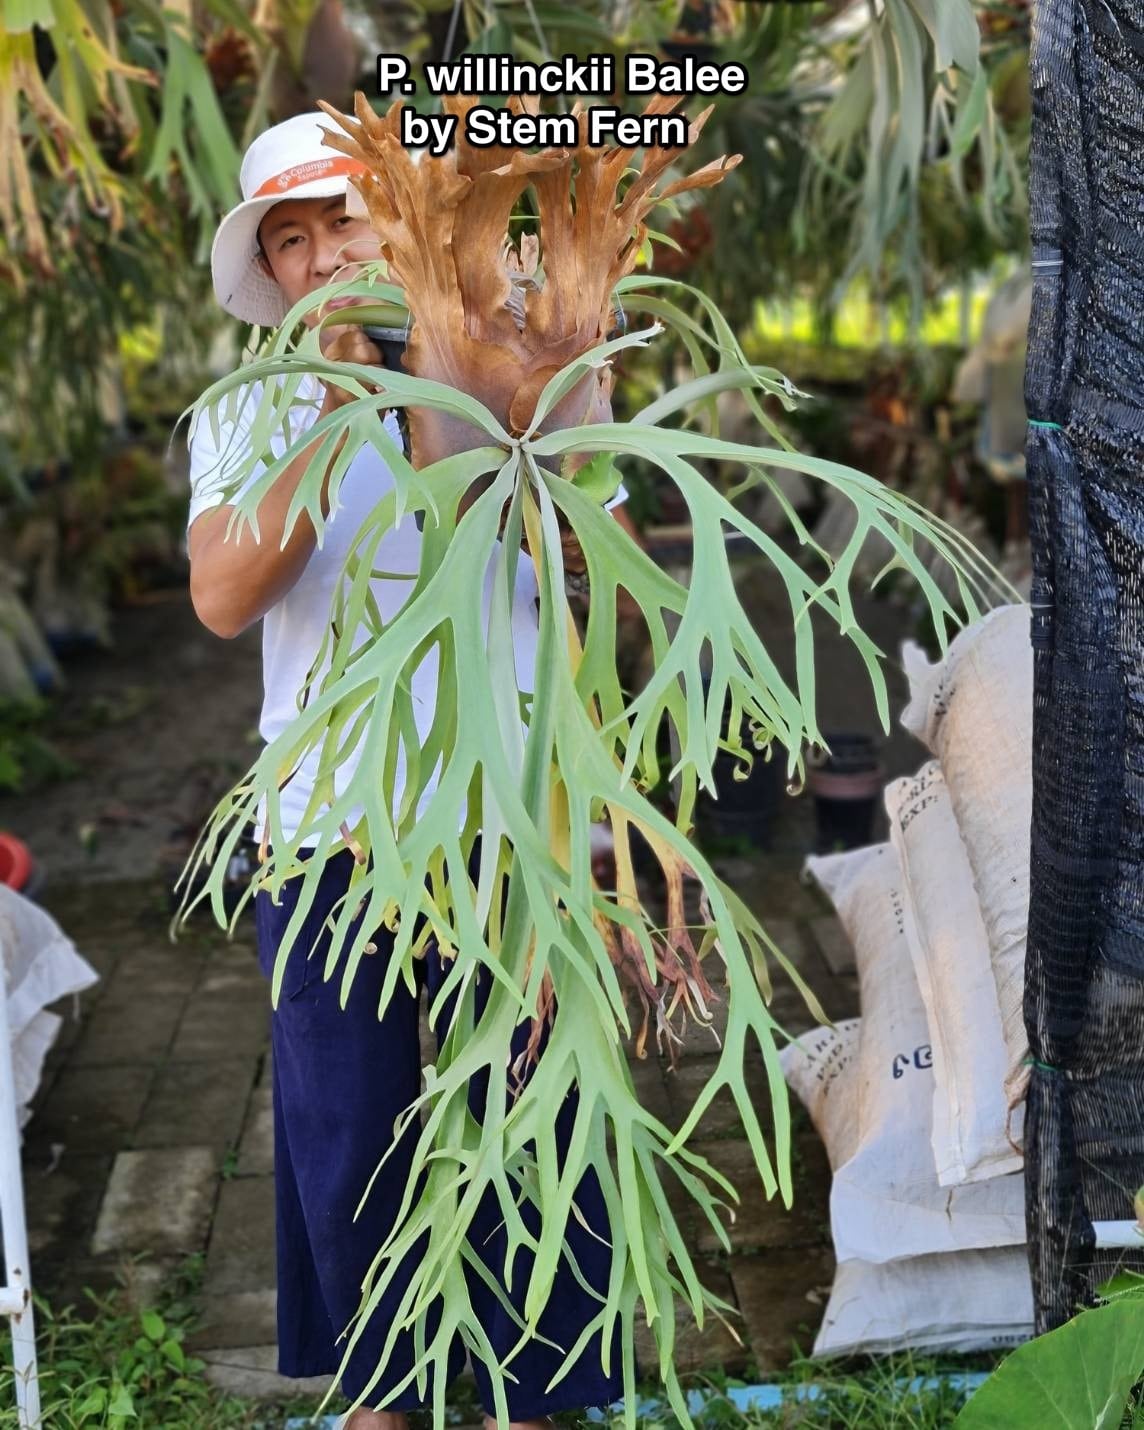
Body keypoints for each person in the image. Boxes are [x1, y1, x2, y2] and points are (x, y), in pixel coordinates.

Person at [186, 110, 632, 1430]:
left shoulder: (524, 361)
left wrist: (528, 404)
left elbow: (599, 585)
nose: (327, 253)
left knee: (536, 1115)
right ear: (268, 270)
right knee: (345, 1128)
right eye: (293, 235)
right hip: (327, 824)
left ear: (411, 219)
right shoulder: (253, 406)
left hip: (514, 823)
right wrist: (329, 406)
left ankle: (534, 1398)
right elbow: (222, 593)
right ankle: (382, 1398)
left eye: (348, 214)